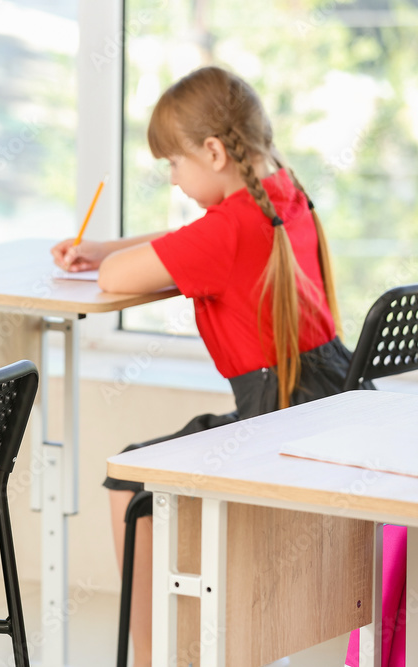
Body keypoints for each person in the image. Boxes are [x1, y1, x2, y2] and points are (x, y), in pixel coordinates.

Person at [52, 65, 366, 667]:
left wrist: (105, 261)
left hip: (277, 417)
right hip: (329, 395)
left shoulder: (227, 229)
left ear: (214, 151)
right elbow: (183, 240)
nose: (173, 179)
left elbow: (124, 278)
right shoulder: (283, 195)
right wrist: (102, 247)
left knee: (132, 479)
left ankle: (149, 659)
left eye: (174, 164)